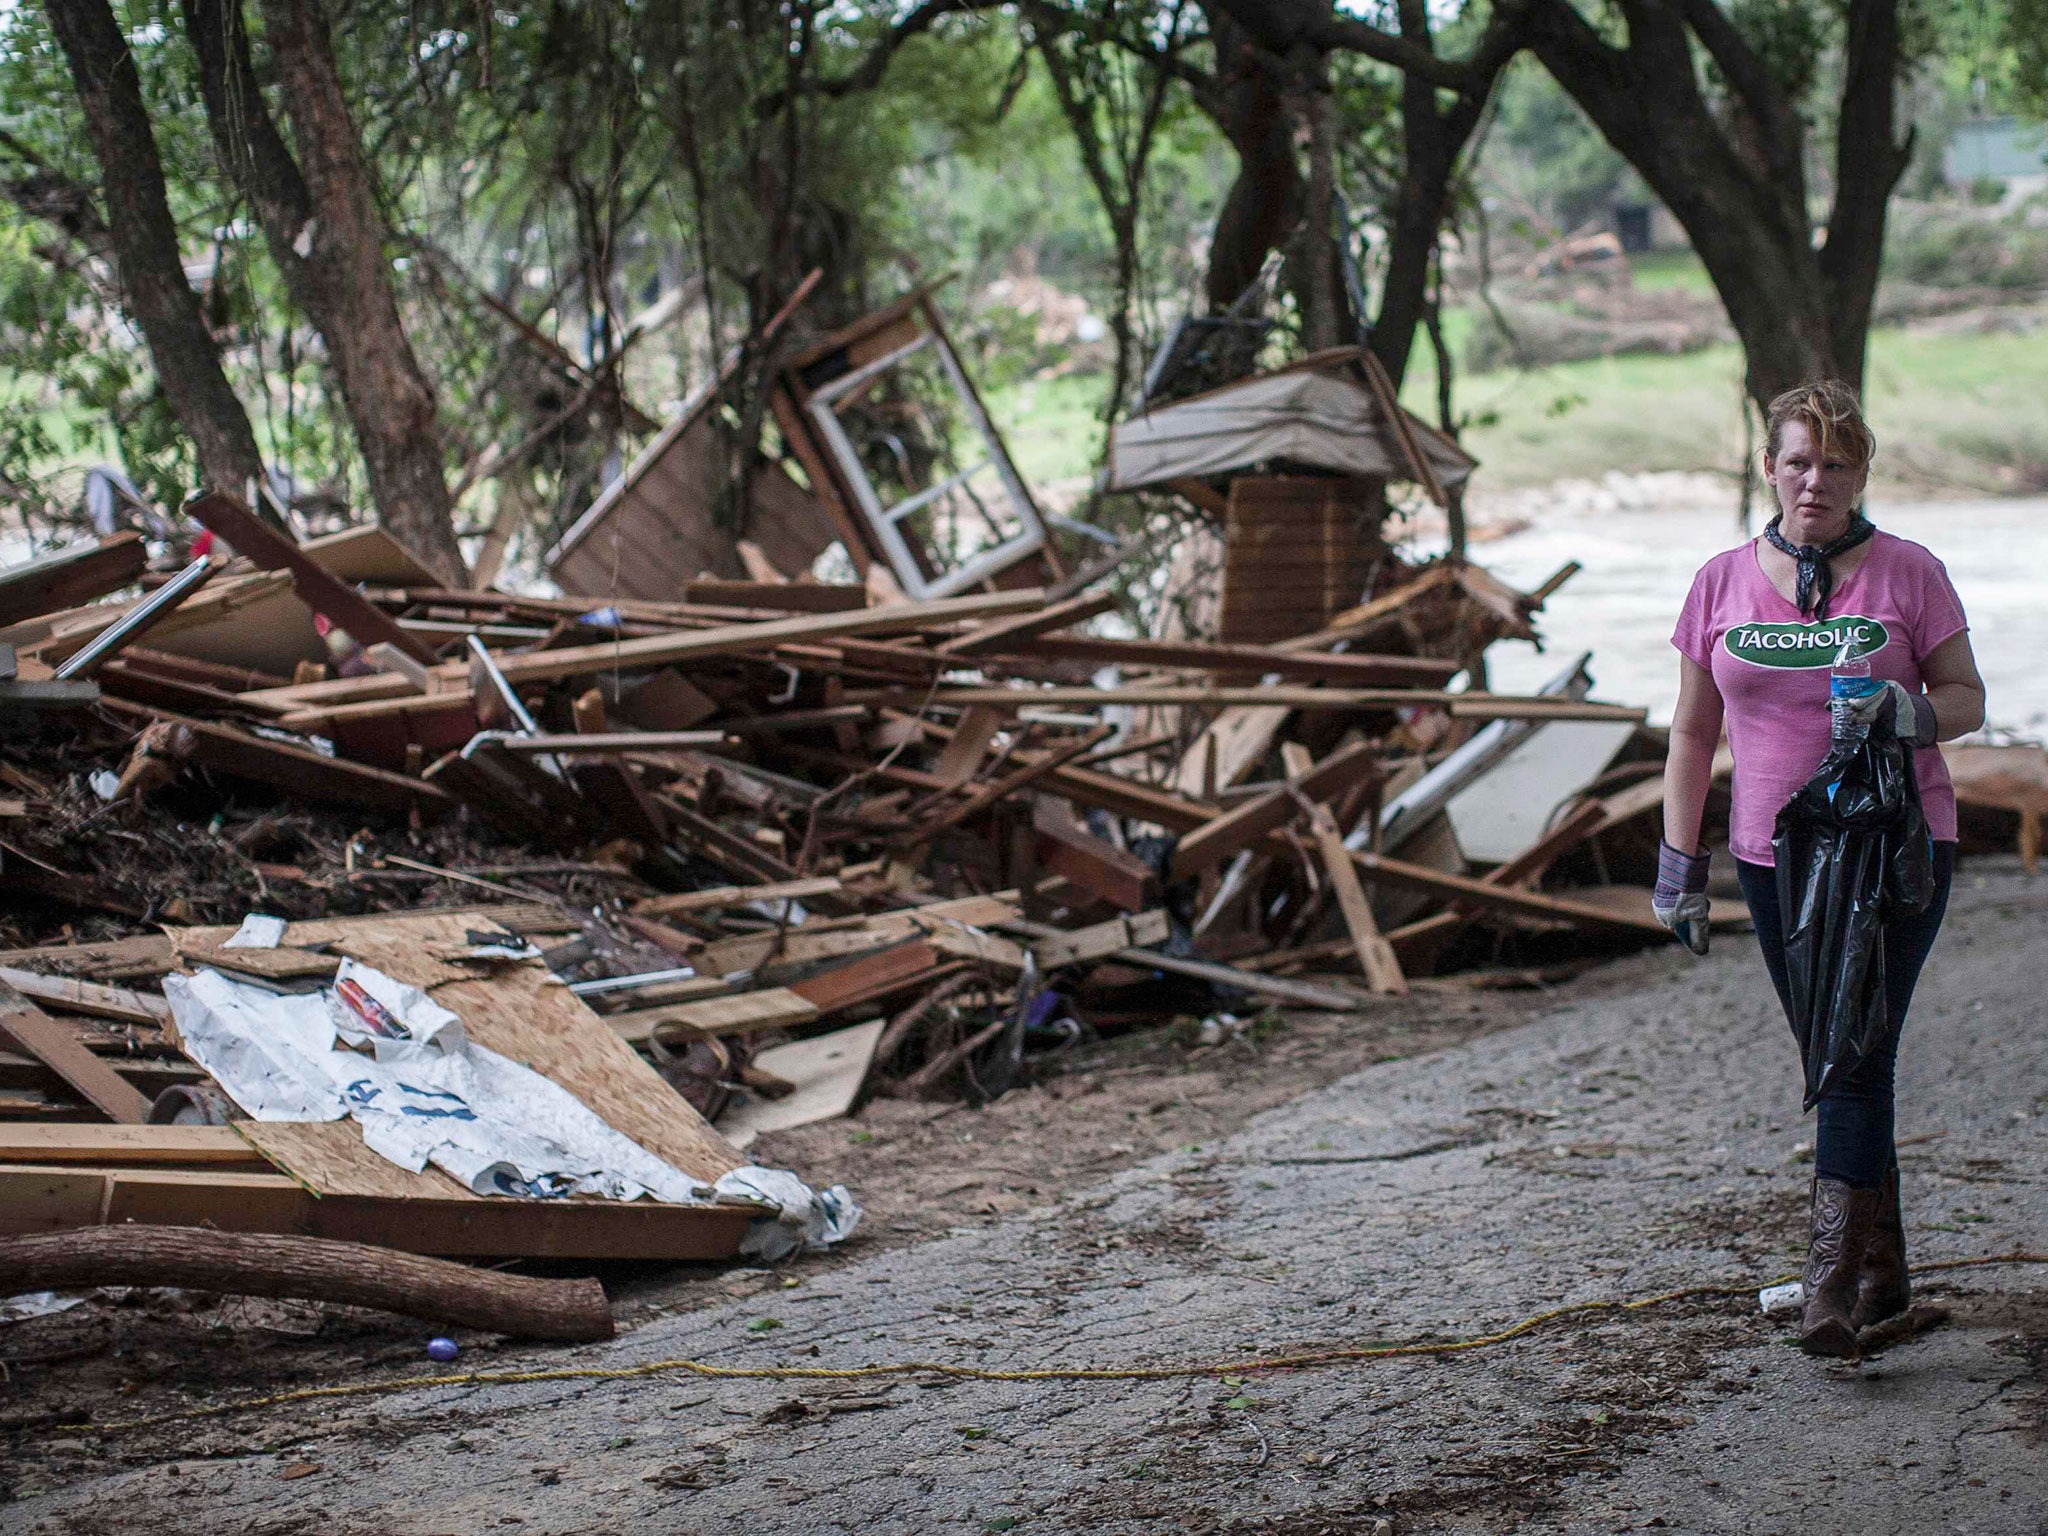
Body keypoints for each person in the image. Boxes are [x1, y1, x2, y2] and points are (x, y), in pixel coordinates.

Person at [1654, 379, 1986, 1358]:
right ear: (1768, 467)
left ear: (1859, 473)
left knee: (1852, 1053)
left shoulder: (1907, 573)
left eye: (1835, 464)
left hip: (1895, 846)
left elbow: (1966, 696)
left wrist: (1907, 714)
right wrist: (1678, 863)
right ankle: (1882, 1274)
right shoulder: (1718, 583)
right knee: (1835, 1055)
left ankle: (1826, 1285)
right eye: (1797, 461)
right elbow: (1687, 730)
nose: (1814, 481)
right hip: (1770, 855)